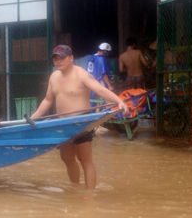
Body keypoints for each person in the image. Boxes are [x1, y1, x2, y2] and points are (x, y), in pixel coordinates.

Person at [31, 45, 129, 190]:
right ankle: (75, 190)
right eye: (56, 58)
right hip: (63, 124)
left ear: (71, 58)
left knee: (85, 160)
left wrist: (120, 101)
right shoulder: (54, 76)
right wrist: (32, 119)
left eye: (62, 57)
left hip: (81, 123)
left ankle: (90, 196)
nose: (58, 61)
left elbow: (101, 90)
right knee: (67, 159)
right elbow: (47, 100)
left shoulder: (81, 74)